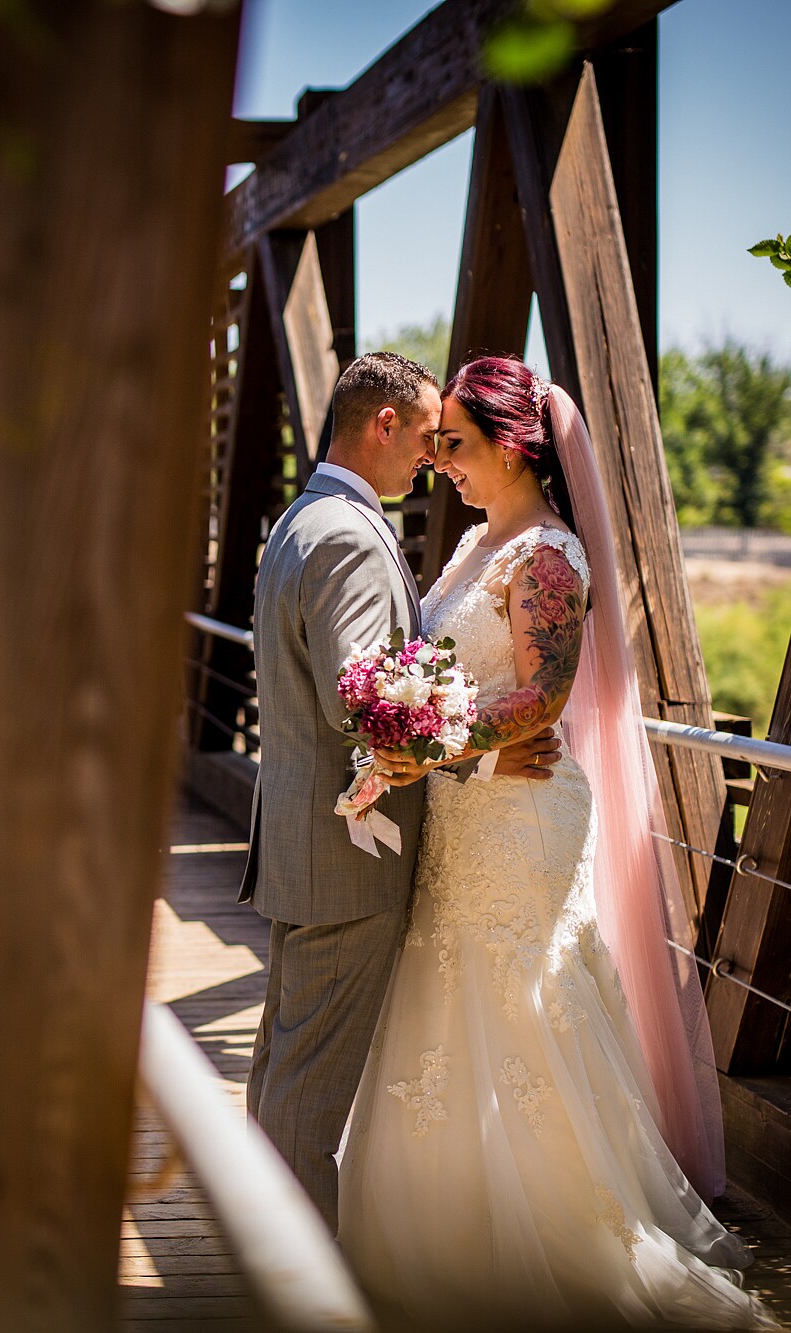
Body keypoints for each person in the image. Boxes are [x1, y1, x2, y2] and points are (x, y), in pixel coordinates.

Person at [336, 355, 778, 1330]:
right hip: (462, 807)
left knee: (512, 1001)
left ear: (509, 444)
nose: (436, 458)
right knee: (441, 991)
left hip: (522, 819)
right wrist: (411, 732)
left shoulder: (544, 556)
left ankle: (551, 1237)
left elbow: (543, 696)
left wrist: (435, 741)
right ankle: (438, 1225)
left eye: (451, 442)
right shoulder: (468, 547)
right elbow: (433, 666)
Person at [239, 351, 564, 1233]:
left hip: (311, 844)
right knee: (306, 1088)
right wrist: (485, 754)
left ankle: (266, 1245)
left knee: (283, 1064)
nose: (433, 459)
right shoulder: (346, 533)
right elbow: (367, 704)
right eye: (426, 438)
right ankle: (294, 1279)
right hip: (349, 854)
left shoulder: (304, 518)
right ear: (383, 424)